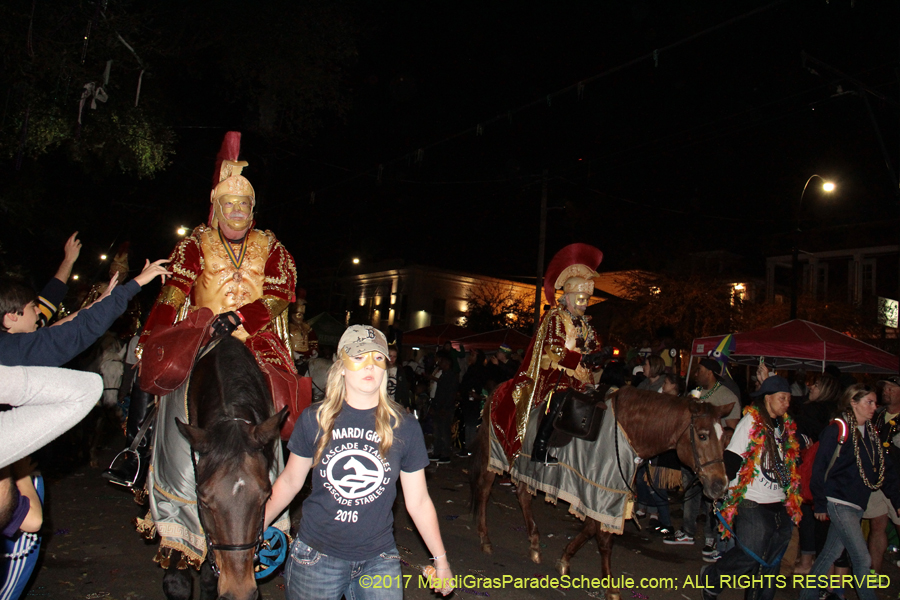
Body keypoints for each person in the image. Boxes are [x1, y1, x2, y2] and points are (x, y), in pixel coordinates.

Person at [121, 132, 299, 569]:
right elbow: (175, 290)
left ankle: (287, 480)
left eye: (244, 205)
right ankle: (136, 452)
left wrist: (239, 318)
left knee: (286, 395)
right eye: (229, 205)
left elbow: (280, 293)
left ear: (253, 209)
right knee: (163, 376)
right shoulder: (194, 244)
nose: (237, 212)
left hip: (254, 338)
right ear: (217, 208)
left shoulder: (273, 248)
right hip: (202, 335)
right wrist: (155, 335)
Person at [263, 325, 454, 599]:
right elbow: (290, 482)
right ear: (341, 366)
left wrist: (441, 561)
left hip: (379, 558)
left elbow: (419, 501)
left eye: (378, 358)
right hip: (316, 556)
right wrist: (253, 532)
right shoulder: (315, 419)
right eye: (359, 356)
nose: (370, 366)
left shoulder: (404, 426)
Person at [490, 243, 602, 466]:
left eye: (587, 300)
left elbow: (593, 345)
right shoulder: (556, 318)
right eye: (581, 299)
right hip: (556, 372)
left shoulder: (586, 324)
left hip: (583, 375)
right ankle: (539, 447)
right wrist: (580, 358)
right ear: (568, 298)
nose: (585, 304)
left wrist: (598, 355)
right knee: (560, 396)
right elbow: (554, 349)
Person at [701, 376, 802, 600]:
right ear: (767, 399)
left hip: (779, 502)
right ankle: (713, 577)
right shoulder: (751, 422)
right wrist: (721, 491)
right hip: (752, 501)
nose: (787, 403)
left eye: (789, 399)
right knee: (751, 554)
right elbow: (732, 458)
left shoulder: (784, 426)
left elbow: (790, 462)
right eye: (782, 398)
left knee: (772, 562)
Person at [799, 384, 900, 600]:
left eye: (874, 402)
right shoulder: (838, 429)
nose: (874, 407)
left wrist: (897, 500)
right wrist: (820, 502)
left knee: (829, 555)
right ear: (853, 402)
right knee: (862, 558)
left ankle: (806, 596)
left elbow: (884, 470)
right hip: (839, 502)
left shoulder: (871, 433)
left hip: (857, 504)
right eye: (868, 402)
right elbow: (820, 467)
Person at [666, 357, 741, 551]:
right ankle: (688, 531)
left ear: (710, 372)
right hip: (692, 454)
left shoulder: (726, 396)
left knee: (711, 498)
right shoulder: (694, 394)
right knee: (690, 494)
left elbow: (732, 429)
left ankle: (711, 536)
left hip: (711, 457)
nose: (696, 374)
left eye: (699, 370)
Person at [865, 376, 900, 572]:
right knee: (877, 526)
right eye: (885, 388)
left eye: (891, 388)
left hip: (897, 484)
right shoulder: (876, 416)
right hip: (877, 482)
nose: (886, 391)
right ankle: (873, 575)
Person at [430, 355, 459, 464]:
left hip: (445, 409)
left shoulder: (451, 376)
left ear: (447, 364)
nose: (440, 364)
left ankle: (445, 454)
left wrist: (445, 408)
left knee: (444, 431)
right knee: (437, 431)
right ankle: (437, 452)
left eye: (442, 362)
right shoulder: (444, 375)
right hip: (439, 407)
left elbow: (451, 395)